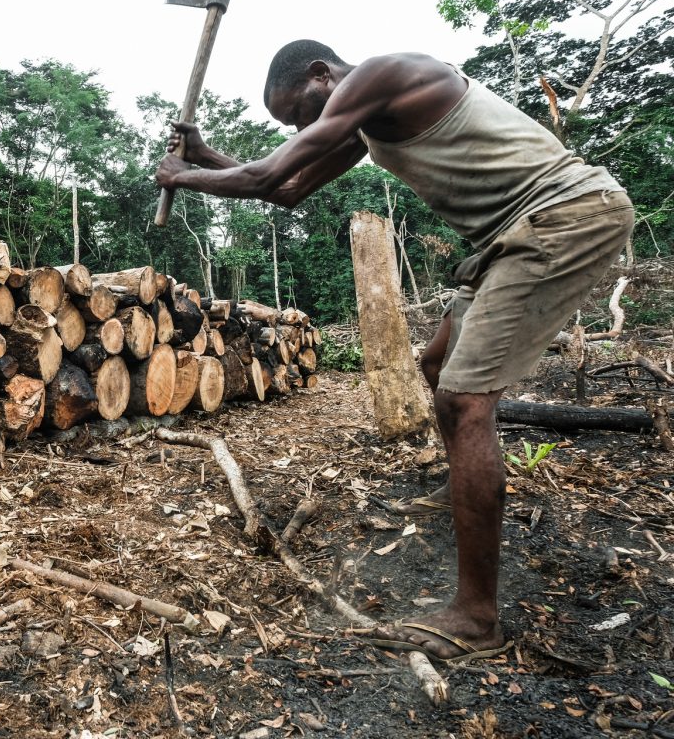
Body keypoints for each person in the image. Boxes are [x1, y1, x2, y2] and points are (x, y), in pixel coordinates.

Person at [156, 40, 633, 662]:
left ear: (322, 75)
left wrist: (181, 176)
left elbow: (269, 173)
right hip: (505, 239)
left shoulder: (386, 74)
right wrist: (202, 156)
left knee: (466, 403)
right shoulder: (368, 124)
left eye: (301, 112)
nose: (305, 128)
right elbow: (288, 190)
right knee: (435, 366)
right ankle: (459, 487)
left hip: (559, 215)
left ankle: (475, 618)